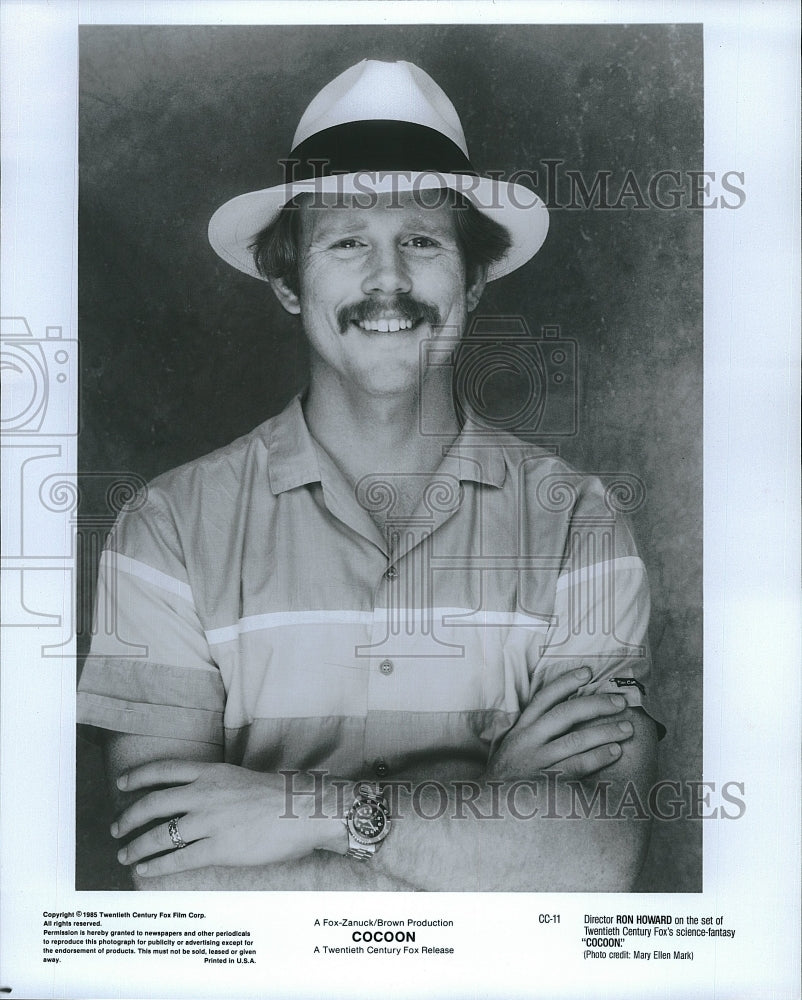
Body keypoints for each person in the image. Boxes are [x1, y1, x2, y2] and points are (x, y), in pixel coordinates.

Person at [77, 59, 659, 891]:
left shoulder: (579, 522)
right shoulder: (167, 527)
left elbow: (596, 863)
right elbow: (177, 879)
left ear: (477, 275)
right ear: (286, 281)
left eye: (421, 241)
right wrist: (488, 802)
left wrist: (296, 813)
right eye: (347, 242)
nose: (387, 280)